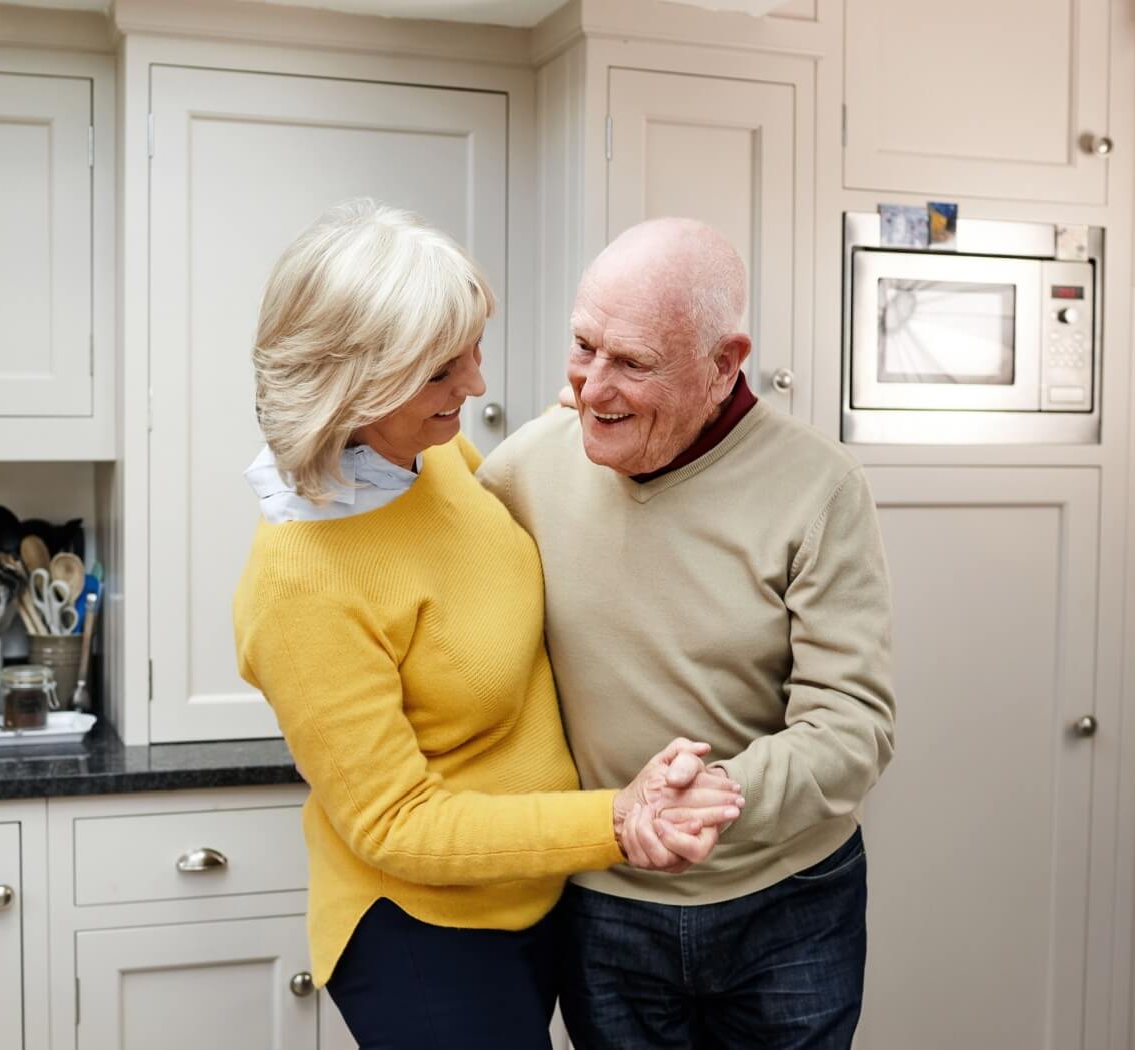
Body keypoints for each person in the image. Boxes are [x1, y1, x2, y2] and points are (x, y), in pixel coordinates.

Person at [231, 199, 746, 1050]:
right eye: (442, 372)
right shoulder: (300, 585)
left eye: (471, 353)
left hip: (537, 894)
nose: (474, 385)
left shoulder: (425, 456)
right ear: (357, 385)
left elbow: (499, 510)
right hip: (425, 935)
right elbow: (401, 825)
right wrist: (614, 821)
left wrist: (603, 402)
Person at [477, 217, 896, 1049]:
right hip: (605, 907)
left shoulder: (820, 488)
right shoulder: (528, 465)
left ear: (723, 363)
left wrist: (711, 800)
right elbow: (418, 551)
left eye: (631, 362)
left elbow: (854, 728)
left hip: (790, 904)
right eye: (583, 346)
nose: (594, 388)